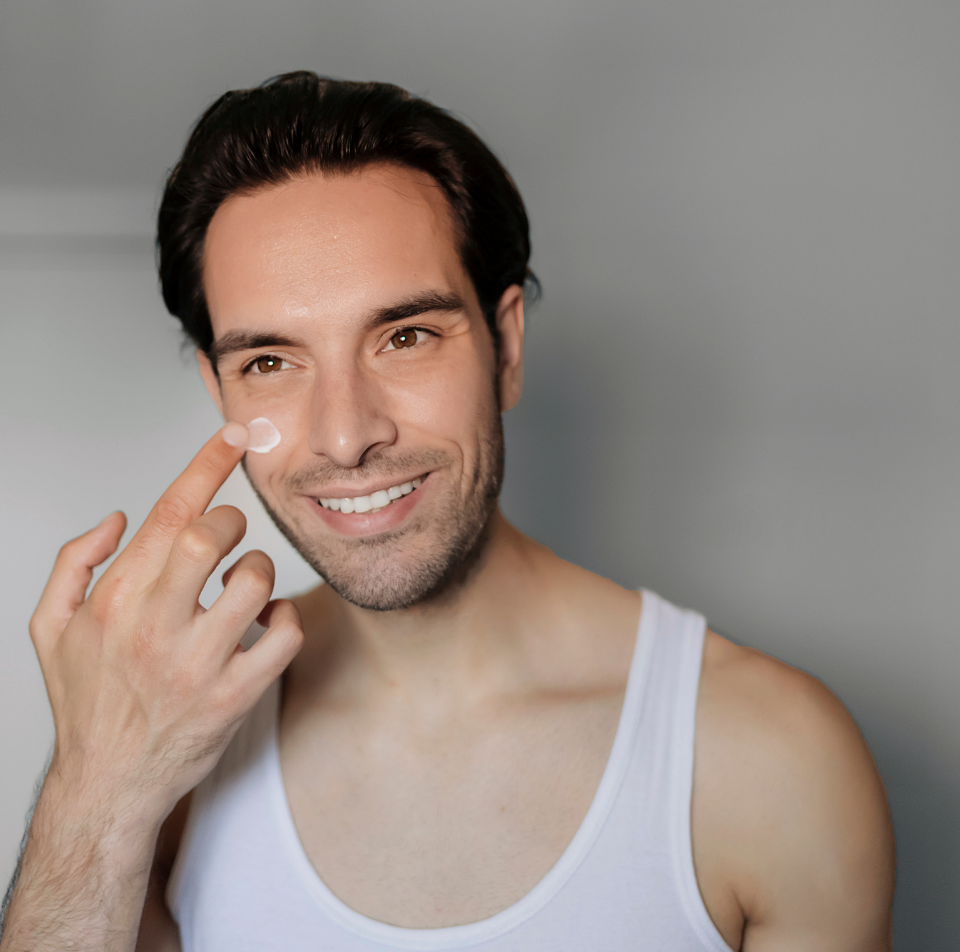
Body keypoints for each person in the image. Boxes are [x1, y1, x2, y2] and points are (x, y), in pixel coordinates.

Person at [0, 73, 895, 952]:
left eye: (406, 337)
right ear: (218, 387)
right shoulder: (172, 749)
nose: (346, 436)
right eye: (270, 361)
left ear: (505, 345)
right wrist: (95, 789)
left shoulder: (767, 760)